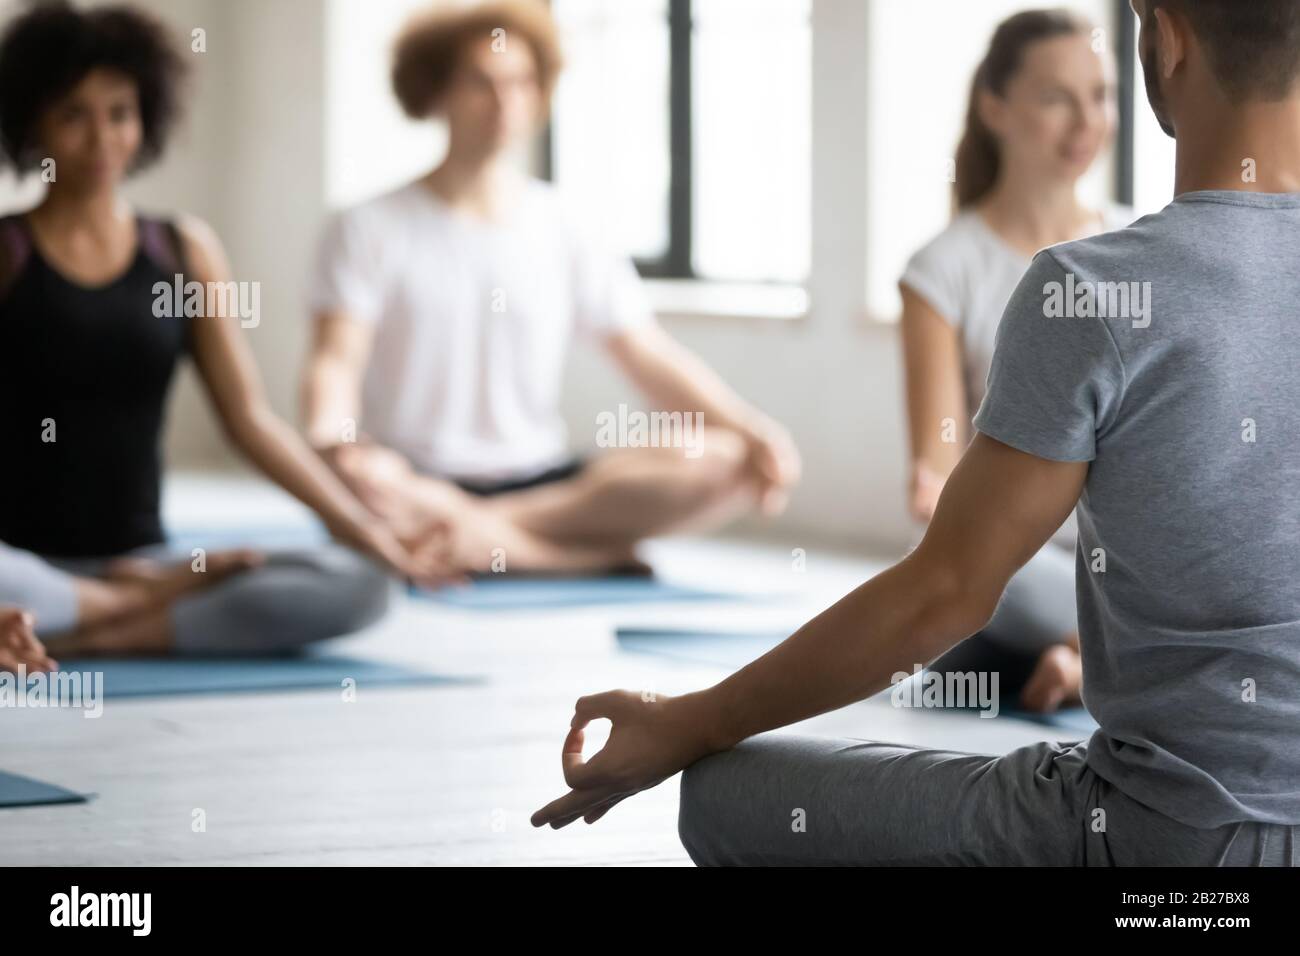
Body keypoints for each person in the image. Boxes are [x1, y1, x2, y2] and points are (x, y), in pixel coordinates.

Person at [534, 0, 1300, 866]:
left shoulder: (1090, 287)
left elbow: (946, 592)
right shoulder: (974, 267)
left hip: (1170, 845)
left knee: (722, 793)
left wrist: (688, 720)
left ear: (1166, 37)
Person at [0, 2, 452, 657]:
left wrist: (361, 526)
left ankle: (106, 628)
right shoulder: (9, 252)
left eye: (119, 113)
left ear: (146, 118)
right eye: (73, 115)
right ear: (33, 123)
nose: (102, 139)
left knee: (365, 582)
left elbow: (250, 420)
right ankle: (127, 613)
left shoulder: (182, 250)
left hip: (151, 558)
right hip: (20, 563)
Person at [303, 0, 800, 576]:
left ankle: (485, 537)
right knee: (356, 485)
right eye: (482, 84)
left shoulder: (564, 223)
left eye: (521, 83)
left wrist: (752, 429)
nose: (505, 103)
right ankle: (564, 556)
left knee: (727, 463)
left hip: (543, 480)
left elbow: (646, 355)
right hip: (414, 476)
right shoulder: (367, 226)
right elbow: (335, 361)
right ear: (434, 92)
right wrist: (335, 443)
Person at [902, 9, 1133, 714]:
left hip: (1125, 558)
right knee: (973, 581)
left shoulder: (1137, 246)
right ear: (994, 108)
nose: (1086, 121)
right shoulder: (943, 270)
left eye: (1099, 95)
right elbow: (939, 474)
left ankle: (1079, 656)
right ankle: (1104, 656)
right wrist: (938, 489)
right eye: (1056, 97)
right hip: (1016, 561)